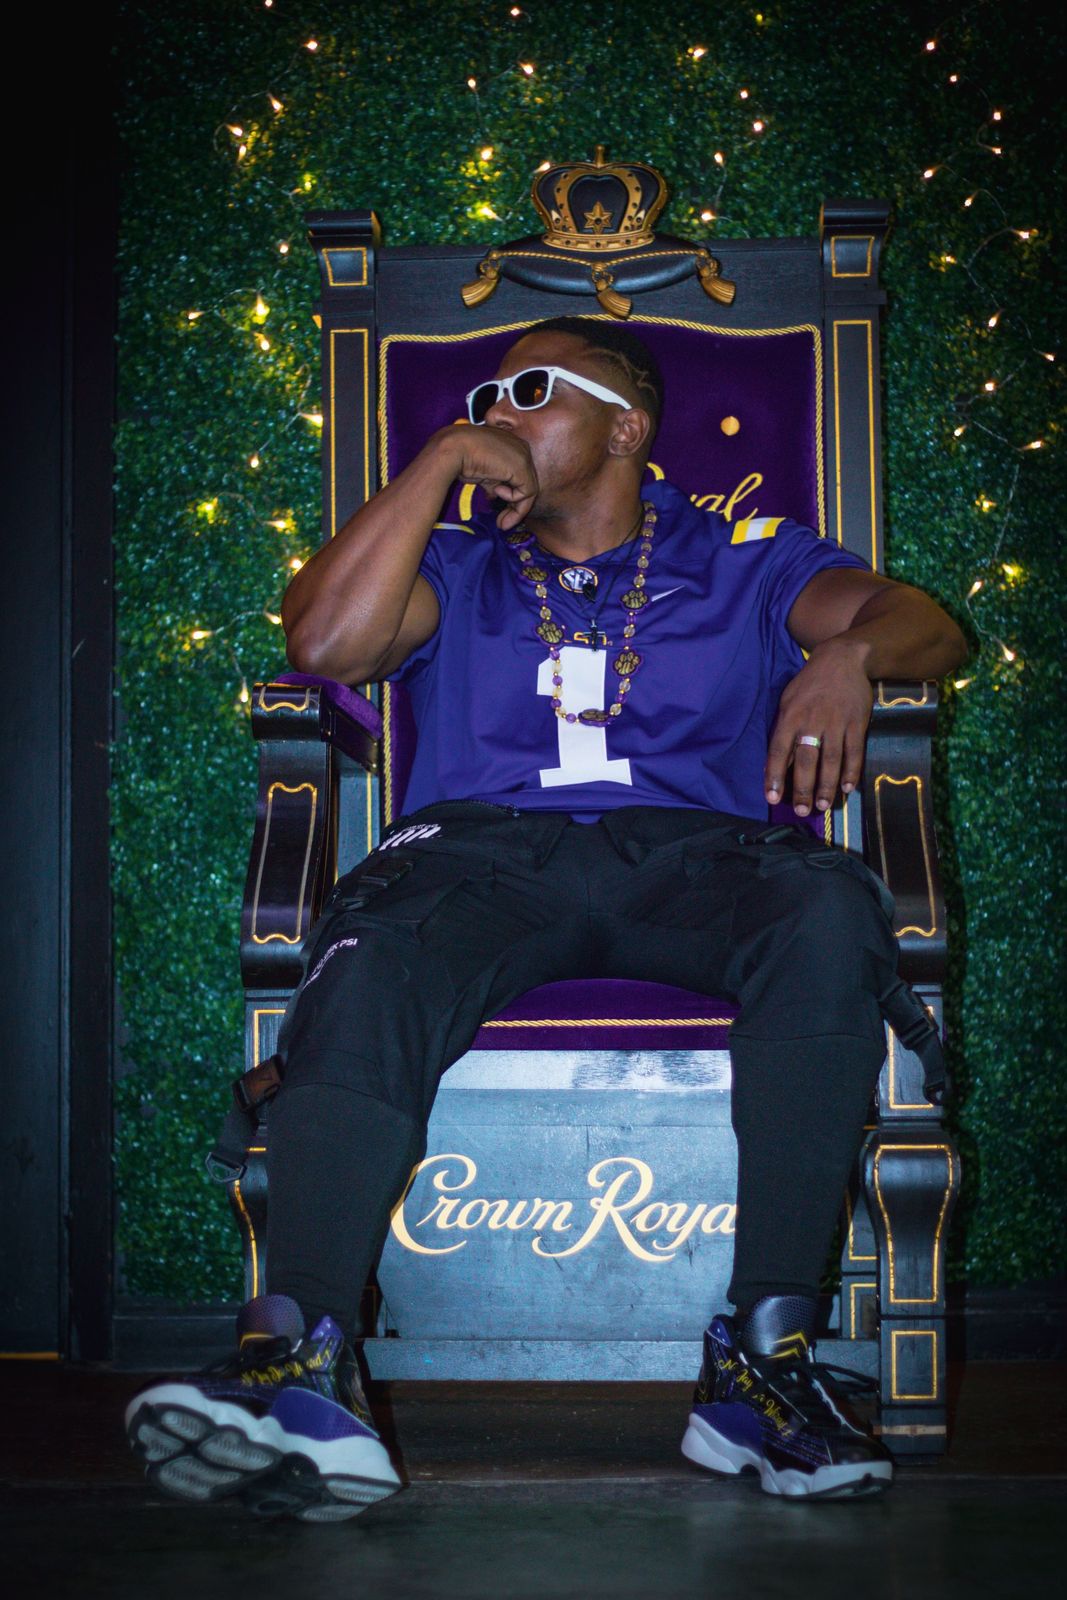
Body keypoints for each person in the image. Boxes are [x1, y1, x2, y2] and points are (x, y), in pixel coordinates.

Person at [125, 317, 967, 1518]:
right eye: (482, 396)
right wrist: (437, 461)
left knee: (827, 907)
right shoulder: (448, 562)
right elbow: (323, 643)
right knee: (371, 949)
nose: (495, 413)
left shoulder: (744, 556)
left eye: (528, 390)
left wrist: (848, 658)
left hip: (693, 859)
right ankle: (301, 1361)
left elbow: (928, 624)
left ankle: (761, 1363)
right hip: (479, 860)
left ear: (625, 426)